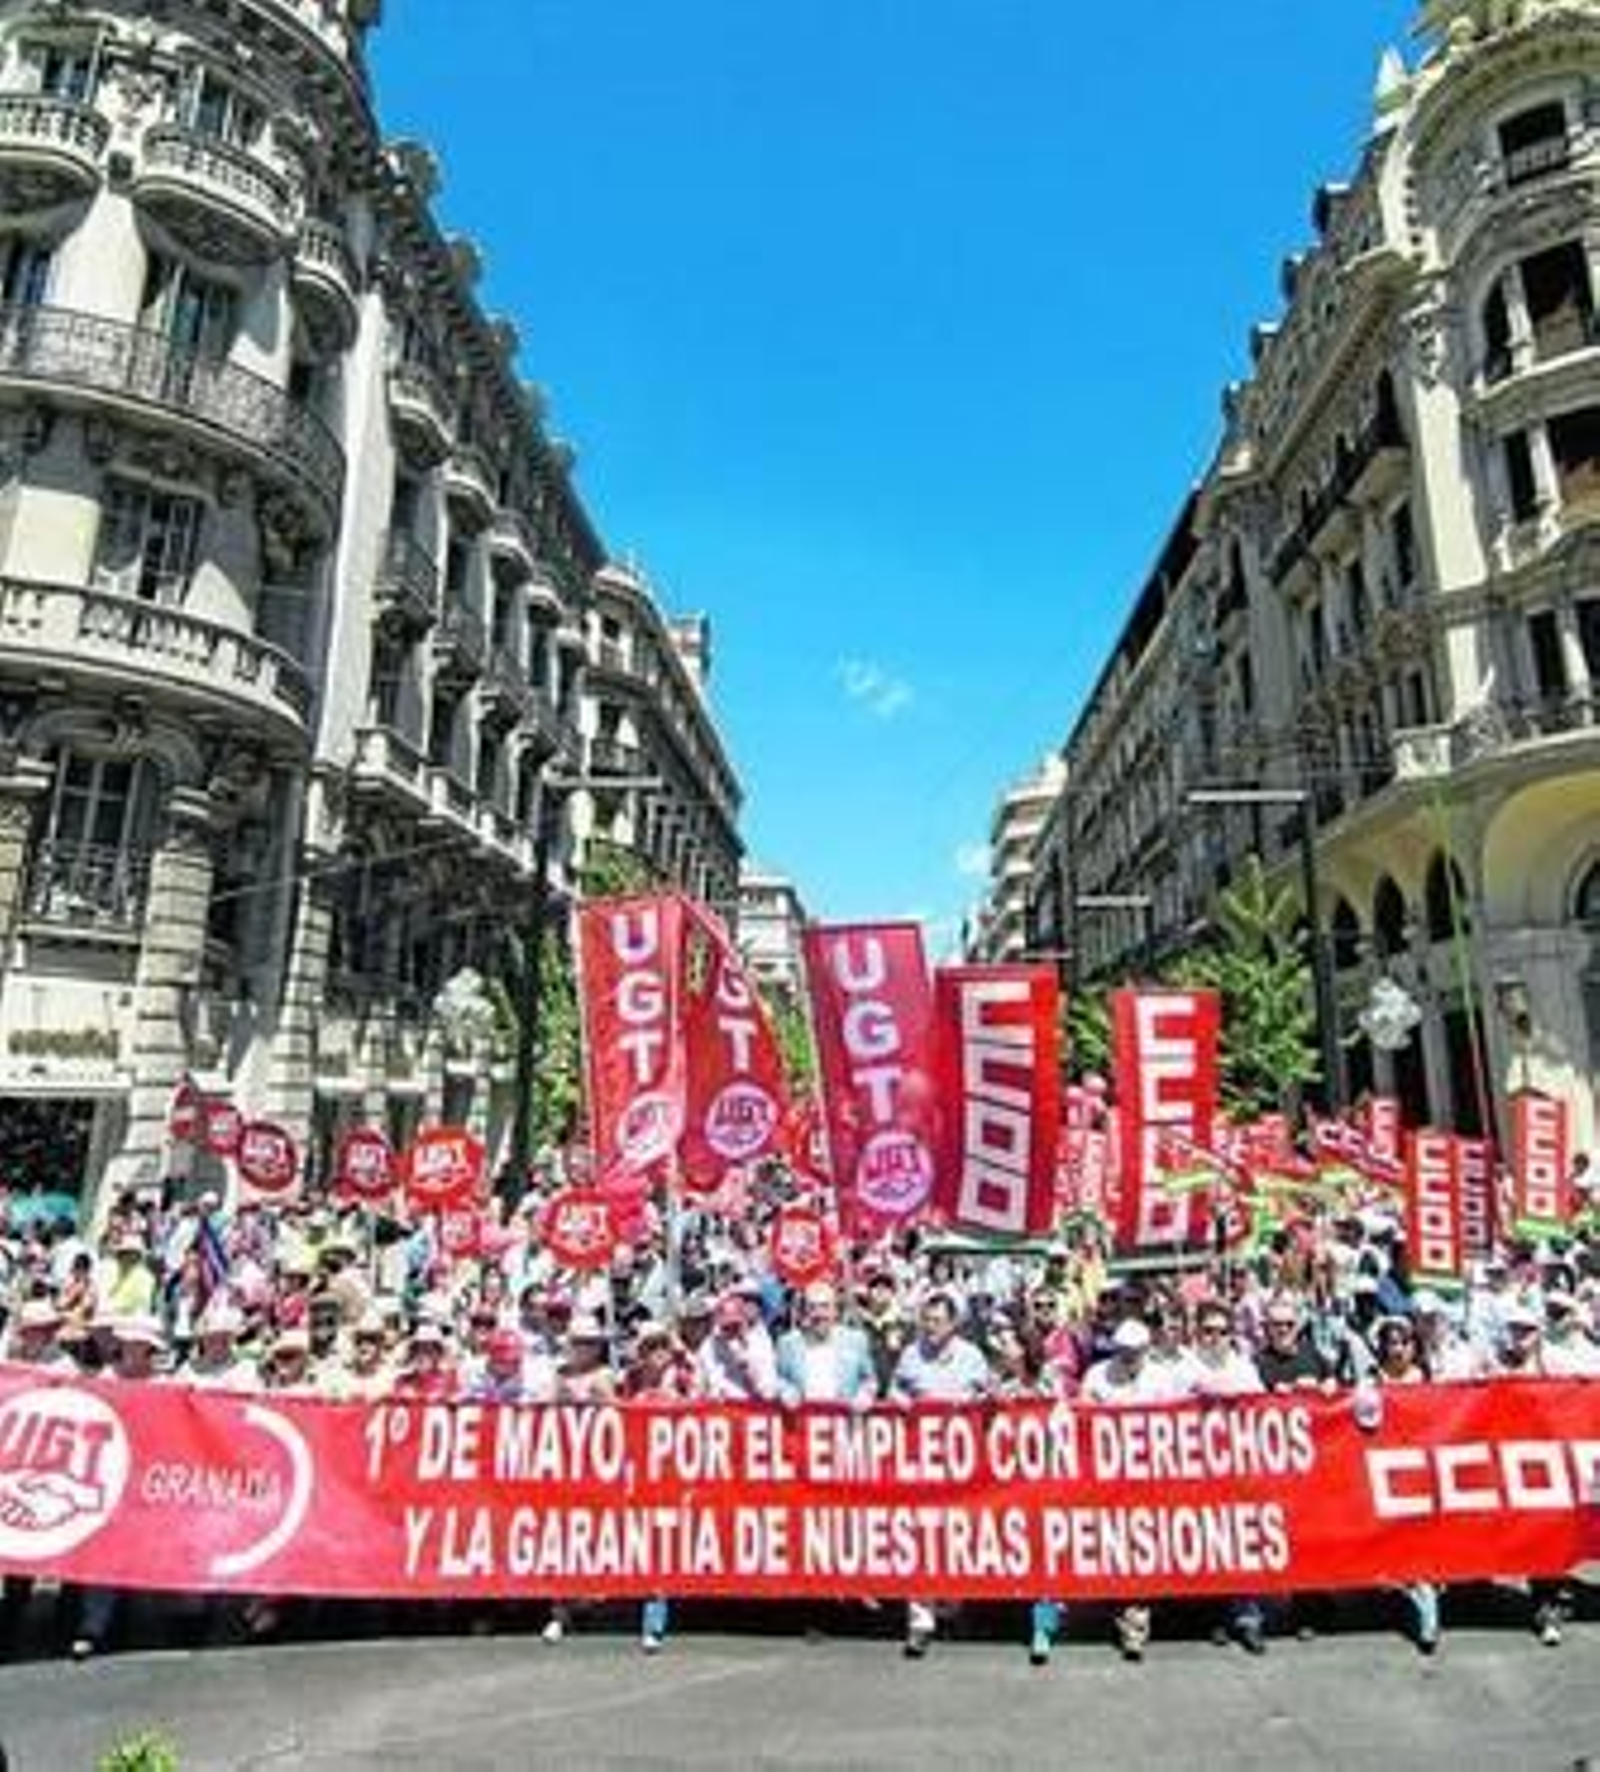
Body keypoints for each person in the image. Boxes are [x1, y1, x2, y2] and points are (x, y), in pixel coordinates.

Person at [891, 1292, 991, 1659]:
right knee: (921, 1537)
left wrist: (971, 1403)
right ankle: (920, 1621)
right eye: (926, 1319)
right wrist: (907, 1406)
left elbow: (987, 1395)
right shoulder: (910, 1354)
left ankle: (953, 1609)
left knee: (958, 1535)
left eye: (936, 1320)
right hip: (921, 1463)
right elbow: (895, 1391)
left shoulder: (972, 1356)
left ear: (953, 1323)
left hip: (962, 1464)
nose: (929, 1327)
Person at [1370, 1316, 1440, 1654]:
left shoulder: (1427, 1378)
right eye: (1392, 1342)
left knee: (1420, 1540)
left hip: (1419, 1469)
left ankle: (1426, 1605)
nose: (1398, 1349)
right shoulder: (1372, 1379)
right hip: (1381, 1469)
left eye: (1405, 1342)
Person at [775, 1282, 877, 1408]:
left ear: (835, 1311)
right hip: (803, 1421)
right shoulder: (787, 1343)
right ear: (805, 1312)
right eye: (812, 1307)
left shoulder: (856, 1340)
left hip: (843, 1421)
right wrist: (786, 1391)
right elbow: (779, 1379)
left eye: (825, 1306)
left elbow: (869, 1380)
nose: (819, 1314)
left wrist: (864, 1395)